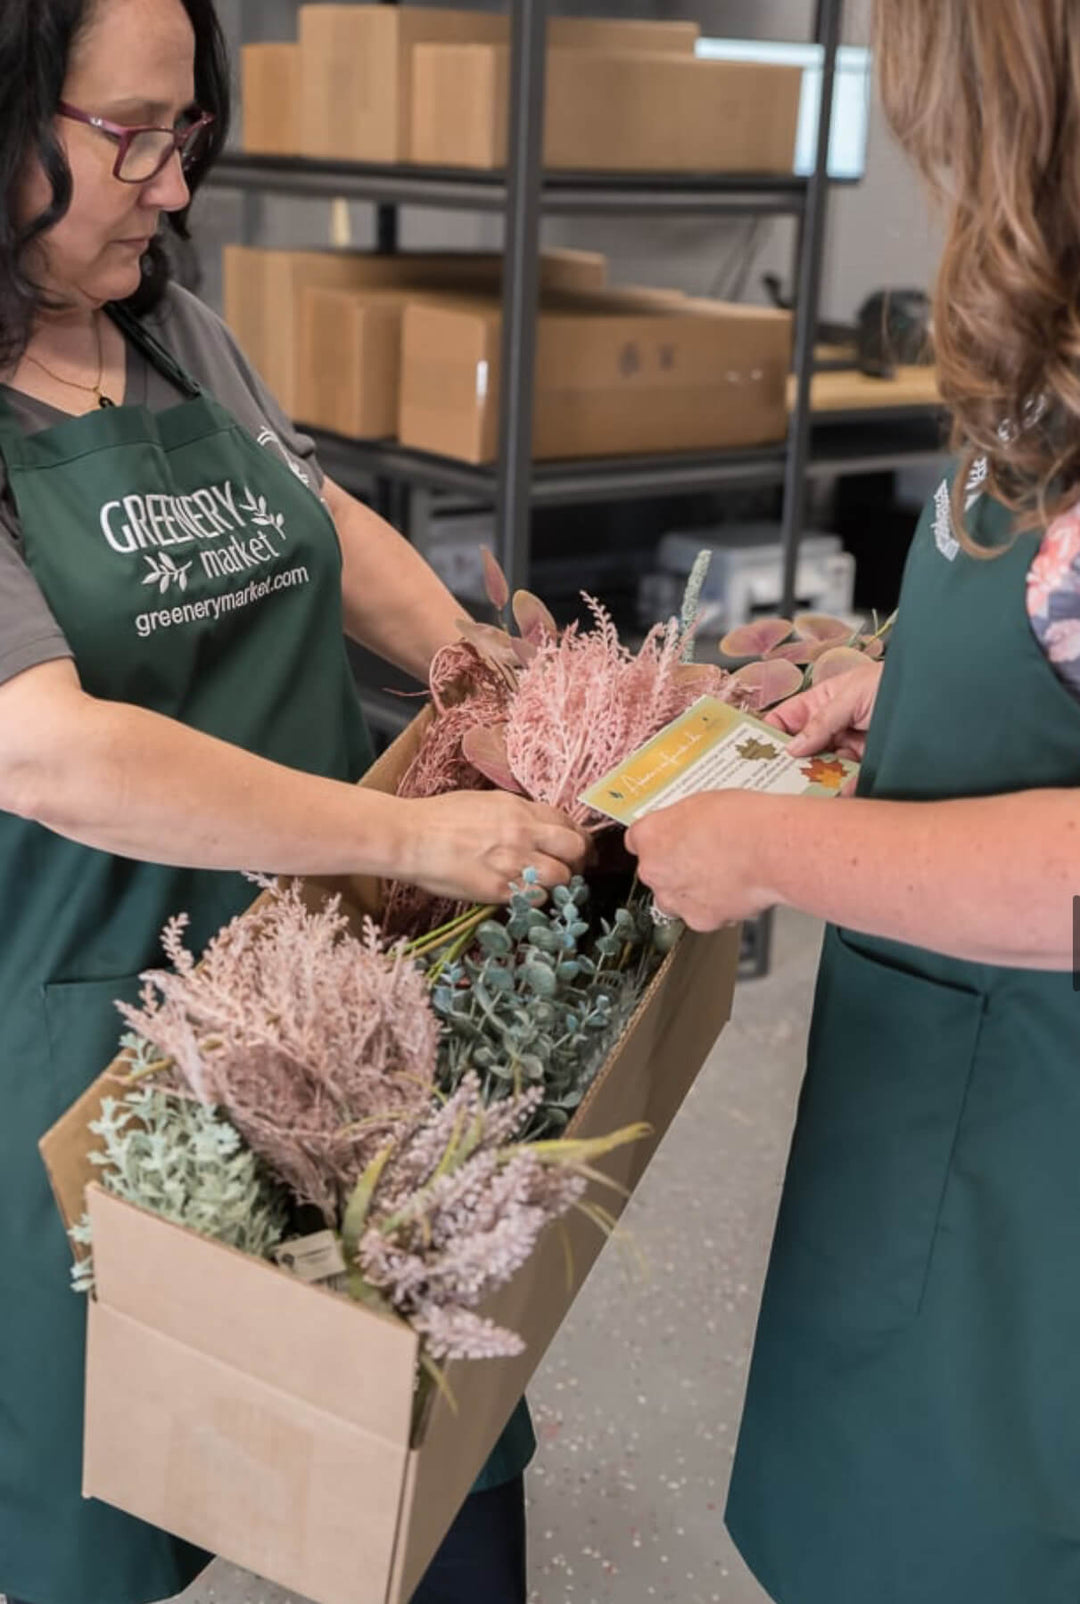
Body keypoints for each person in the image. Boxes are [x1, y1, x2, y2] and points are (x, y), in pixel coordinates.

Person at [0, 3, 588, 1603]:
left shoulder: (170, 328)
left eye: (186, 135)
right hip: (92, 1052)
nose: (173, 187)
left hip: (334, 1009)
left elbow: (313, 516)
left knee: (432, 1434)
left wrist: (478, 670)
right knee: (109, 1496)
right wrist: (404, 835)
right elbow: (48, 749)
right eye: (130, 136)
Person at [629, 3, 1080, 1599]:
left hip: (1034, 1178)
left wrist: (763, 845)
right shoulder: (1056, 352)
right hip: (934, 1112)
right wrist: (906, 676)